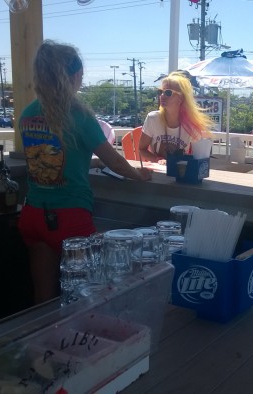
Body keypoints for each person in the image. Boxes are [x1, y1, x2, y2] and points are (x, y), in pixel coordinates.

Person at [17, 40, 153, 305]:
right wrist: (139, 175)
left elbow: (51, 157)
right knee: (87, 297)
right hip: (70, 219)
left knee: (43, 298)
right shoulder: (78, 114)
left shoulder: (27, 114)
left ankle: (45, 343)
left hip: (33, 214)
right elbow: (114, 161)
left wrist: (91, 164)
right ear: (73, 75)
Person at [138, 71, 214, 163]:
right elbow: (142, 149)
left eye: (168, 93)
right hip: (158, 171)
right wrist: (157, 159)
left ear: (181, 98)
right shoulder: (153, 118)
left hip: (180, 172)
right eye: (160, 92)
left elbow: (200, 156)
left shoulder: (192, 125)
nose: (162, 96)